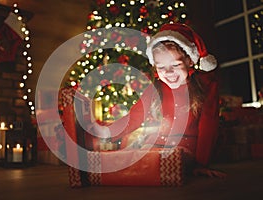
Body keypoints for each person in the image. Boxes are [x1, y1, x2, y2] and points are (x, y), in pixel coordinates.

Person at [91, 23, 226, 178]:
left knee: (166, 165)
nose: (169, 72)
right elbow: (135, 115)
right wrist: (109, 132)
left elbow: (209, 124)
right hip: (155, 146)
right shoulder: (155, 89)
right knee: (132, 161)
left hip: (187, 148)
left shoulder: (205, 86)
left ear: (189, 61)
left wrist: (201, 163)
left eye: (176, 64)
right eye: (161, 67)